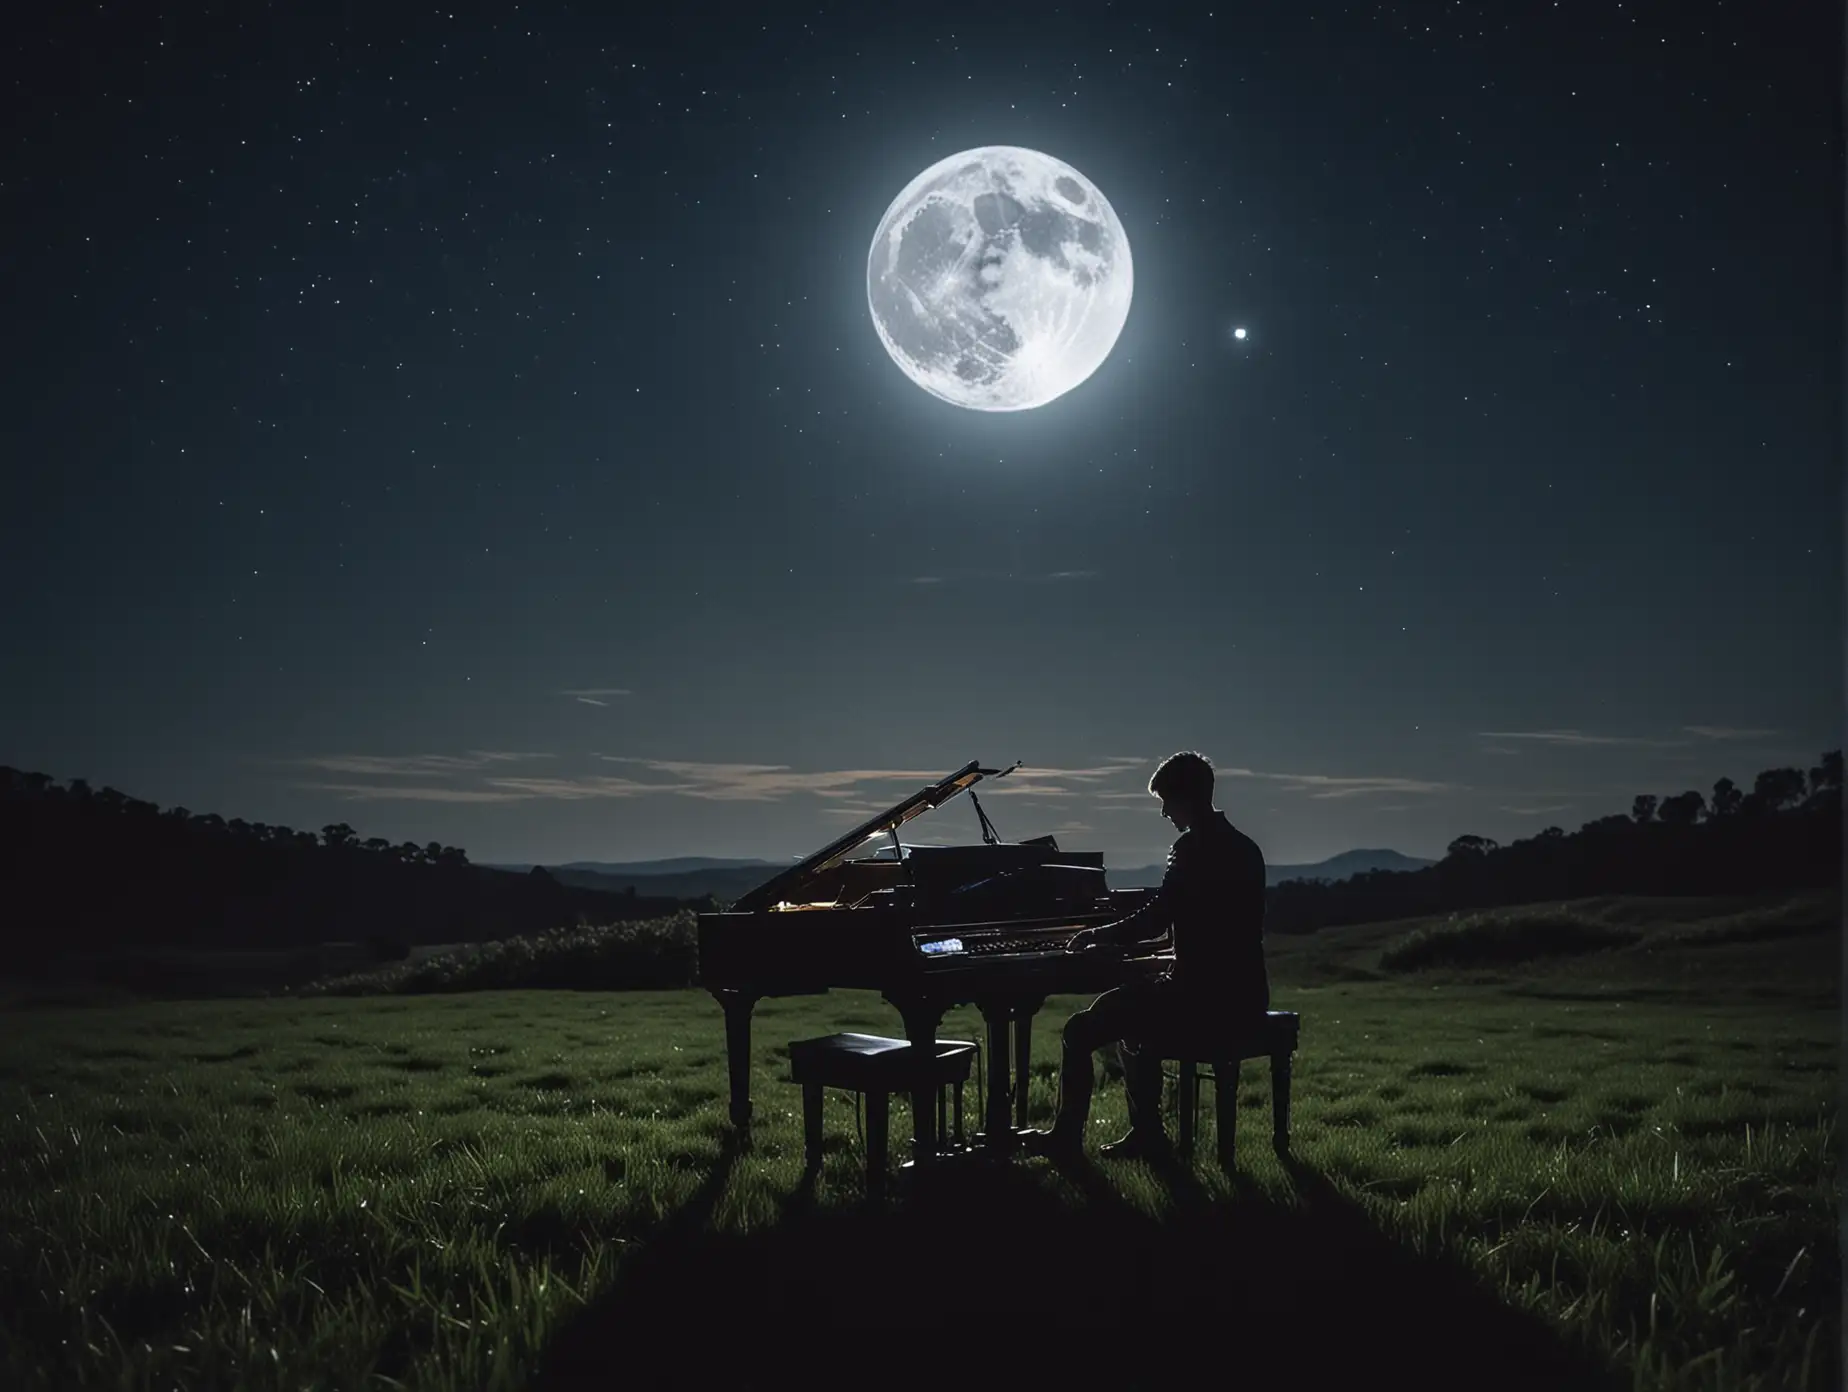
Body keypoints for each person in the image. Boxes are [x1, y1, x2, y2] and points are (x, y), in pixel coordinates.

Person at [1021, 750, 1270, 1161]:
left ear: (1186, 799)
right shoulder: (1246, 848)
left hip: (1204, 999)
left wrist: (1099, 935)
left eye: (1166, 804)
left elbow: (1156, 918)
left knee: (1080, 1029)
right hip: (1247, 994)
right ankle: (1145, 1132)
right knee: (1126, 1016)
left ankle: (1069, 1140)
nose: (1165, 814)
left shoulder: (1191, 848)